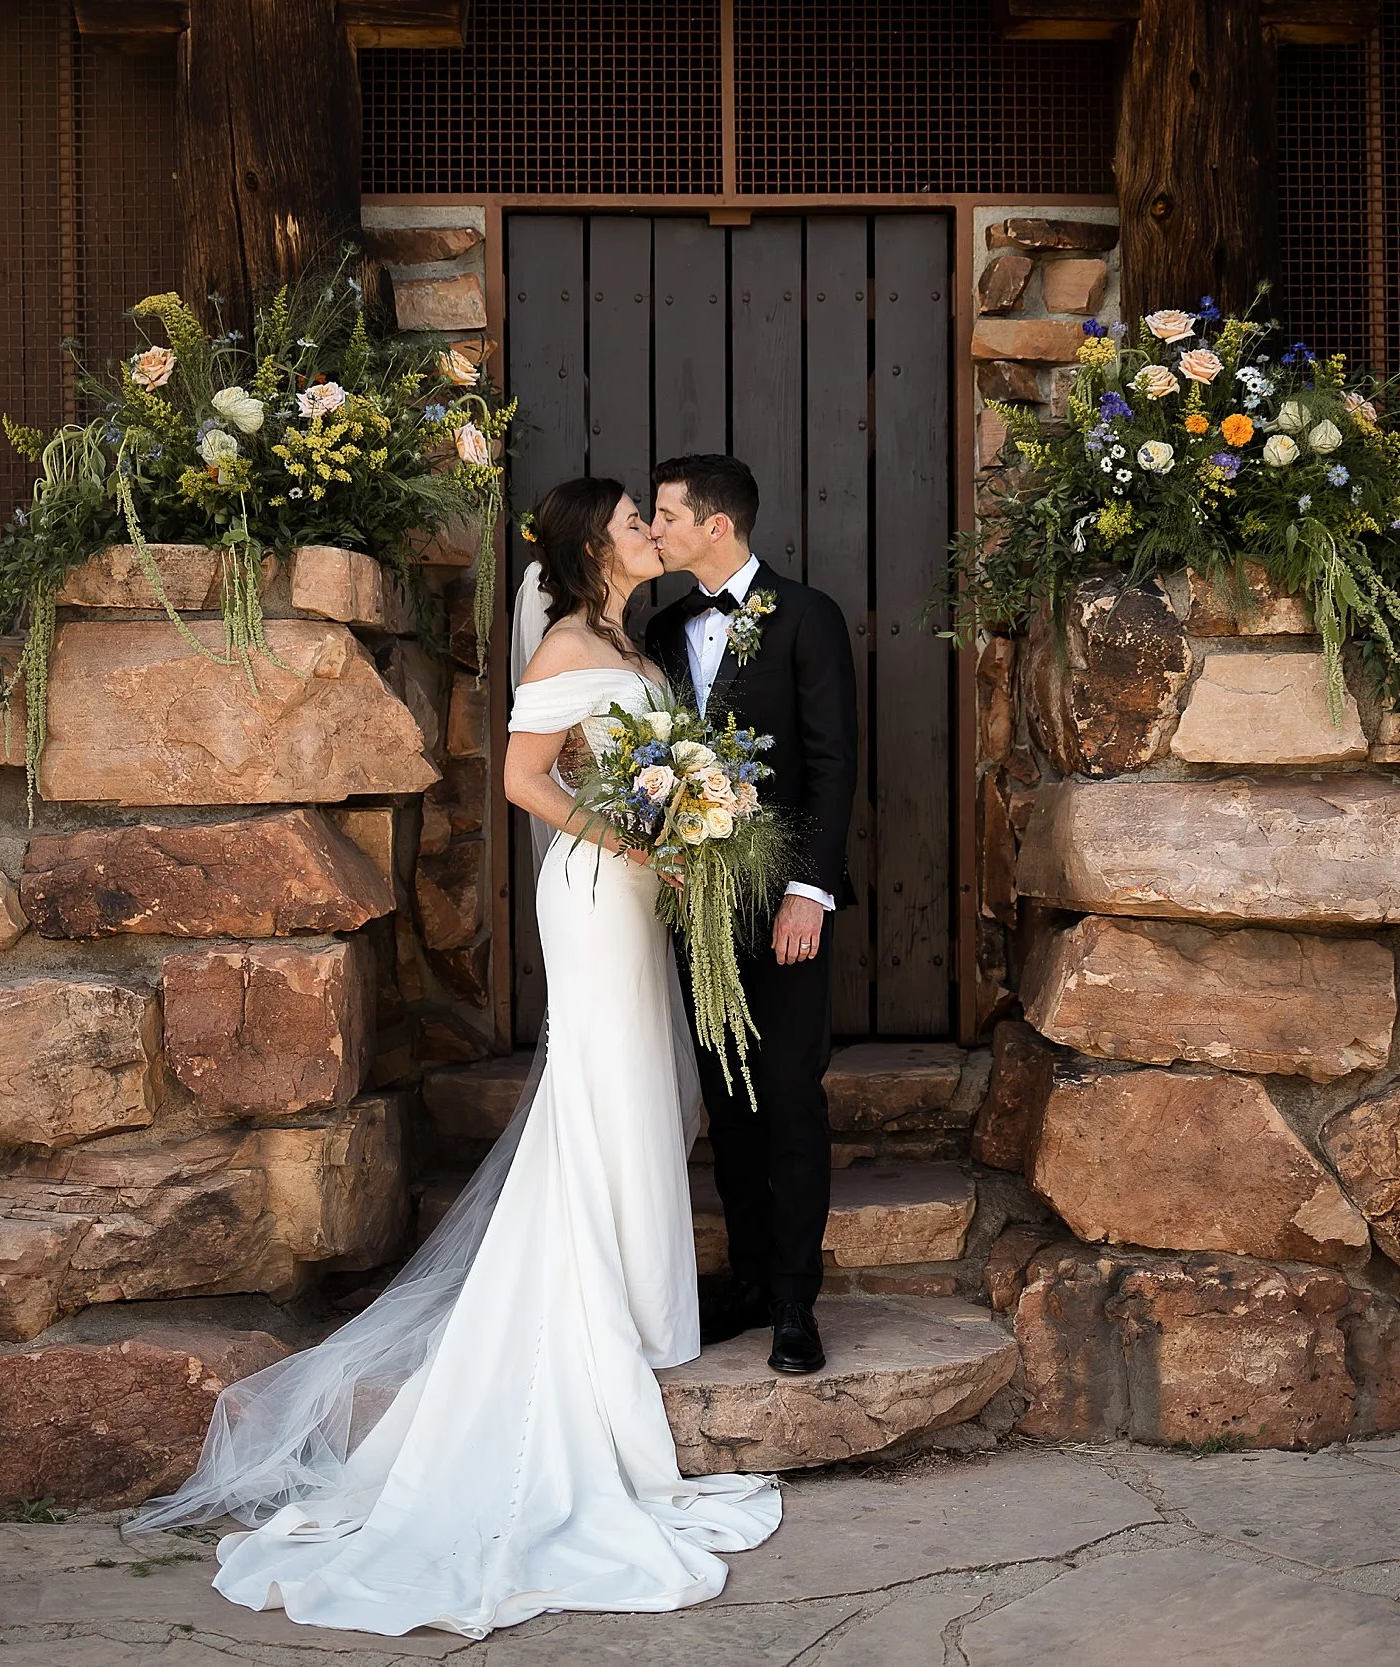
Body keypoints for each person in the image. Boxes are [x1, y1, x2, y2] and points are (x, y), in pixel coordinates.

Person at [125, 477, 781, 1637]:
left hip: (635, 891)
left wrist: (679, 828)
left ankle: (641, 1298)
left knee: (639, 1087)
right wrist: (636, 830)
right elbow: (530, 779)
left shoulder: (629, 639)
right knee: (602, 1086)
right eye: (633, 520)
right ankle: (605, 1304)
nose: (648, 530)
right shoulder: (572, 644)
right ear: (593, 546)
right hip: (591, 890)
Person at [644, 453, 859, 1377]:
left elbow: (832, 763)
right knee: (725, 1098)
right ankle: (745, 1278)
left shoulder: (807, 617)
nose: (654, 530)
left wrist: (810, 889)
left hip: (784, 902)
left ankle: (796, 1302)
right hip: (695, 901)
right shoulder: (661, 628)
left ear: (715, 526)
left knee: (788, 1097)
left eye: (664, 515)